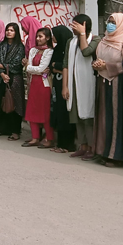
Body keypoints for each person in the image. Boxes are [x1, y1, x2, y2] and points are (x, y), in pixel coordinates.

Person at [92, 13, 123, 168]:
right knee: (103, 117)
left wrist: (107, 67)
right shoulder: (104, 40)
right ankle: (102, 151)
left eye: (113, 22)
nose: (110, 25)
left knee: (116, 119)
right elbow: (98, 57)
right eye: (109, 22)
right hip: (103, 82)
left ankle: (116, 155)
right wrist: (97, 65)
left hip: (118, 84)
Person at [66, 15, 99, 160]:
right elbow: (66, 64)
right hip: (74, 83)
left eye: (76, 25)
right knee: (77, 116)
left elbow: (86, 52)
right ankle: (82, 146)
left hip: (88, 83)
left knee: (88, 116)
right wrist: (65, 86)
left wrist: (83, 34)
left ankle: (92, 147)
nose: (73, 28)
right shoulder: (70, 42)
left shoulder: (96, 39)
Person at [0, 23, 26, 141]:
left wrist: (2, 66)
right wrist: (2, 74)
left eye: (12, 30)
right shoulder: (1, 46)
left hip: (15, 80)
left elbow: (17, 64)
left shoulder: (20, 47)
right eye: (8, 30)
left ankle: (15, 131)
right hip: (0, 78)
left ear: (16, 32)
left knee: (14, 105)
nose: (9, 32)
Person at [22, 27, 55, 148]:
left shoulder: (49, 51)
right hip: (33, 83)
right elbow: (34, 68)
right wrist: (31, 68)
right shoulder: (33, 50)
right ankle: (35, 137)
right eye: (37, 36)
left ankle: (50, 138)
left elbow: (41, 69)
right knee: (32, 110)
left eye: (41, 36)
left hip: (43, 84)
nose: (38, 39)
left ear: (47, 38)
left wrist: (28, 67)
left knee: (45, 112)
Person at [48, 25, 76, 153]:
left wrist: (58, 66)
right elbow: (51, 66)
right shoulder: (58, 48)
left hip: (67, 84)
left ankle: (67, 145)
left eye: (53, 34)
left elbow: (68, 66)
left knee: (65, 114)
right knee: (58, 112)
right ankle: (60, 143)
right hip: (57, 84)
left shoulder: (70, 47)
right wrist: (58, 67)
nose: (52, 37)